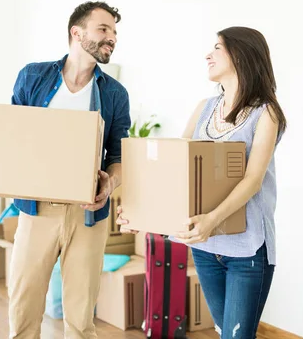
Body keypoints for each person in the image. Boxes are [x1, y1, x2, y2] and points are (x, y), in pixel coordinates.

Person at [0, 1, 130, 339]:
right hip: (36, 210)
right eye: (104, 29)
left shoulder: (115, 94)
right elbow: (12, 136)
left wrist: (110, 184)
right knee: (24, 307)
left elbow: (119, 155)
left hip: (88, 215)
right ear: (77, 32)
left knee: (81, 317)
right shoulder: (34, 76)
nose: (112, 38)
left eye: (114, 32)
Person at [118, 26, 286, 339]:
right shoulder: (205, 108)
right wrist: (140, 215)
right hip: (205, 246)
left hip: (247, 247)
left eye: (218, 48)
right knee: (224, 331)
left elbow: (252, 180)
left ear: (241, 54)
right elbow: (174, 170)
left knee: (237, 336)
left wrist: (211, 219)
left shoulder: (266, 113)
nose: (208, 54)